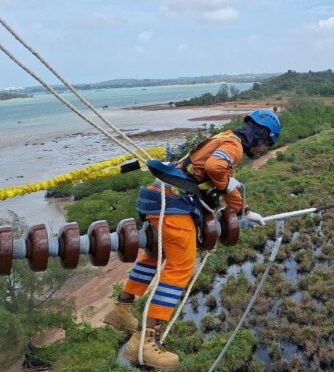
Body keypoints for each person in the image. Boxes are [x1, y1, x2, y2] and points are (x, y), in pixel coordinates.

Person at [103, 109, 281, 369]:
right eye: (267, 142)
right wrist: (229, 183)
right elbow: (215, 168)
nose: (264, 148)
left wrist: (244, 210)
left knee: (155, 256)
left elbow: (216, 178)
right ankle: (144, 342)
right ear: (261, 135)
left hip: (157, 197)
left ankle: (121, 308)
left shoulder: (223, 137)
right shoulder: (234, 145)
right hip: (175, 205)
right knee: (181, 268)